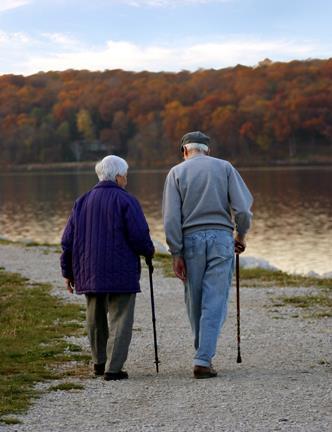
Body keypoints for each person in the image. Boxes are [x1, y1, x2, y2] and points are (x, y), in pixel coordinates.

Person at [162, 131, 253, 379]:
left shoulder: (176, 173)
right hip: (221, 239)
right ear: (207, 150)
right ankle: (203, 358)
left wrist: (175, 252)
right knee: (215, 300)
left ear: (185, 151)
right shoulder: (225, 168)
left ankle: (202, 354)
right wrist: (241, 236)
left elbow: (171, 219)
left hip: (190, 241)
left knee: (194, 300)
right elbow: (243, 209)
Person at [60, 155, 154, 381]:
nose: (127, 180)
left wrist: (68, 272)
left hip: (89, 270)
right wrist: (148, 252)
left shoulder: (81, 201)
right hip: (121, 271)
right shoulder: (127, 200)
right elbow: (139, 235)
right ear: (119, 176)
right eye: (126, 175)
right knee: (121, 318)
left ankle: (99, 363)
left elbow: (67, 240)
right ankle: (114, 368)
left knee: (95, 318)